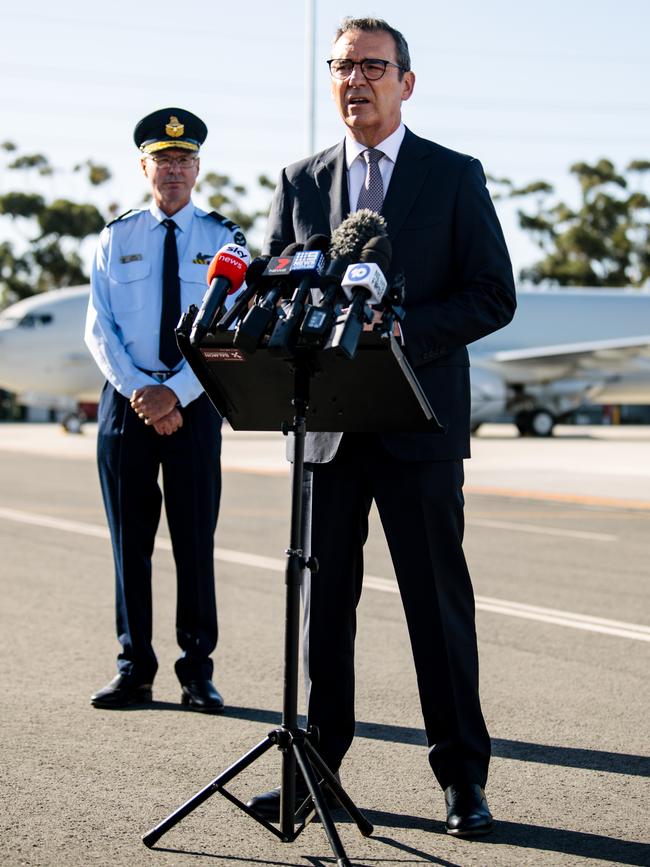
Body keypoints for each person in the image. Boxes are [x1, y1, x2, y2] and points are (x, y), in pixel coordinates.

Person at [247, 18, 516, 835]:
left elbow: (491, 294)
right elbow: (269, 289)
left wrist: (406, 331)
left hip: (418, 425)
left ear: (406, 80)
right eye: (341, 66)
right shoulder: (300, 181)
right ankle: (316, 772)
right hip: (326, 430)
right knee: (321, 610)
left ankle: (462, 779)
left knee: (435, 607)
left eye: (372, 65)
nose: (354, 79)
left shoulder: (452, 176)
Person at [85, 107, 247, 713]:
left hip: (196, 401)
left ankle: (196, 670)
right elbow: (99, 330)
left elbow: (229, 328)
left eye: (184, 160)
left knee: (193, 542)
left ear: (198, 168)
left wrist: (175, 394)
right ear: (145, 166)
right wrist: (142, 393)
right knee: (130, 542)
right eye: (163, 159)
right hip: (127, 403)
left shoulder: (224, 240)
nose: (173, 170)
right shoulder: (116, 237)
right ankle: (135, 667)